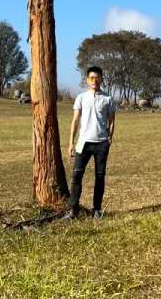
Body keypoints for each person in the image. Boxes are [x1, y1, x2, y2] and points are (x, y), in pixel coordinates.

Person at [64, 65, 116, 219]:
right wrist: (70, 143)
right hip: (83, 143)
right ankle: (73, 210)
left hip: (101, 143)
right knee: (76, 176)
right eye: (92, 78)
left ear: (101, 79)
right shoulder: (81, 97)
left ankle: (97, 209)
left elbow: (112, 121)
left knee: (100, 177)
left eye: (98, 77)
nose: (95, 80)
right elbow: (75, 120)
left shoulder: (108, 99)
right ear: (87, 80)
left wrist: (109, 138)